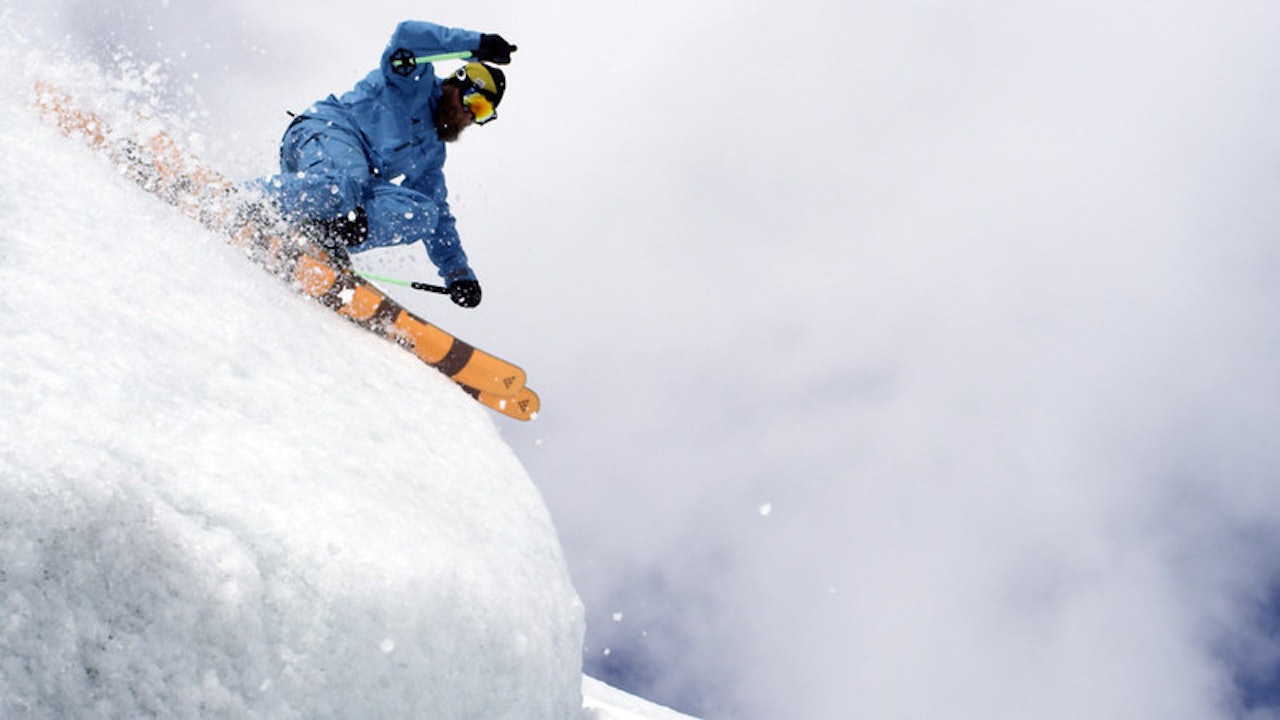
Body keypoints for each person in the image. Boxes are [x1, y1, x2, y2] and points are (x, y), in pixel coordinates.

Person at [255, 21, 516, 308]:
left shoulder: (431, 151)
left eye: (483, 114)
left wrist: (458, 274)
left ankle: (320, 237)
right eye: (475, 103)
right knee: (348, 180)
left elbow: (438, 217)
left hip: (347, 186)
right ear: (457, 86)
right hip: (323, 133)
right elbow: (407, 36)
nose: (470, 116)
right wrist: (475, 44)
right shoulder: (412, 82)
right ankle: (249, 201)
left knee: (424, 214)